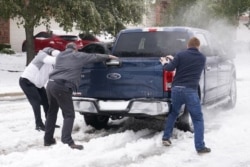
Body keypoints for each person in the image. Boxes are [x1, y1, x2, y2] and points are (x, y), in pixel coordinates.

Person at [44, 42, 118, 150]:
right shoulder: (77, 55)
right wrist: (109, 56)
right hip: (62, 86)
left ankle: (48, 139)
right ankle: (67, 141)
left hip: (50, 84)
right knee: (69, 115)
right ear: (75, 49)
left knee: (51, 113)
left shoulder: (60, 55)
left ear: (66, 48)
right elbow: (94, 57)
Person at [159, 37, 211, 154]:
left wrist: (165, 62)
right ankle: (200, 147)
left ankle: (166, 138)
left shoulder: (180, 55)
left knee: (173, 113)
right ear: (198, 46)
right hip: (190, 91)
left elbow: (169, 68)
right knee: (197, 119)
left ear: (188, 46)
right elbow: (190, 65)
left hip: (176, 90)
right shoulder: (202, 58)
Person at [19, 47, 60, 131]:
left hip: (37, 84)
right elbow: (52, 60)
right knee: (36, 102)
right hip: (27, 81)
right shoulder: (41, 55)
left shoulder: (52, 65)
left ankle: (49, 122)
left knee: (46, 102)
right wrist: (63, 57)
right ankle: (38, 124)